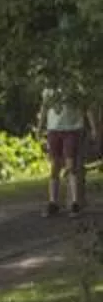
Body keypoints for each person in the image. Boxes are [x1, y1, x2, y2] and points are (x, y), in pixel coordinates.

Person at [46, 90, 87, 218]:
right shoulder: (49, 88)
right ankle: (53, 202)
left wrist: (91, 126)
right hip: (53, 129)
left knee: (70, 165)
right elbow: (44, 107)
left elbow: (85, 106)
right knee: (55, 166)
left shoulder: (74, 86)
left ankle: (75, 203)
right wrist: (41, 126)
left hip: (71, 129)